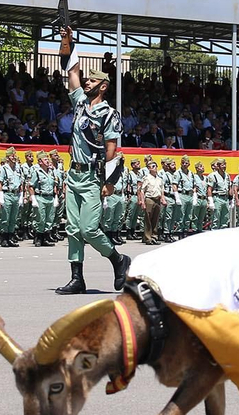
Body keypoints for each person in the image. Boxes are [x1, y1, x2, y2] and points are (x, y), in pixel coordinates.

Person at [54, 27, 131, 295]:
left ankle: (118, 260)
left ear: (103, 86)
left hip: (92, 177)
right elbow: (72, 71)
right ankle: (77, 278)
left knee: (88, 229)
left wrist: (108, 181)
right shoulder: (79, 103)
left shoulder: (109, 114)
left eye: (93, 81)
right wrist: (67, 40)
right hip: (73, 174)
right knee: (73, 229)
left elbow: (111, 149)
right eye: (88, 80)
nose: (87, 83)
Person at [139, 158, 165, 244]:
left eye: (155, 166)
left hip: (157, 199)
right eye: (152, 166)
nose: (154, 168)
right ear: (149, 168)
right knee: (148, 219)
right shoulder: (146, 178)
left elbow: (161, 190)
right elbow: (142, 190)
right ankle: (148, 237)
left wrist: (163, 199)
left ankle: (154, 236)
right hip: (149, 199)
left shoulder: (159, 179)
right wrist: (142, 202)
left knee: (156, 219)